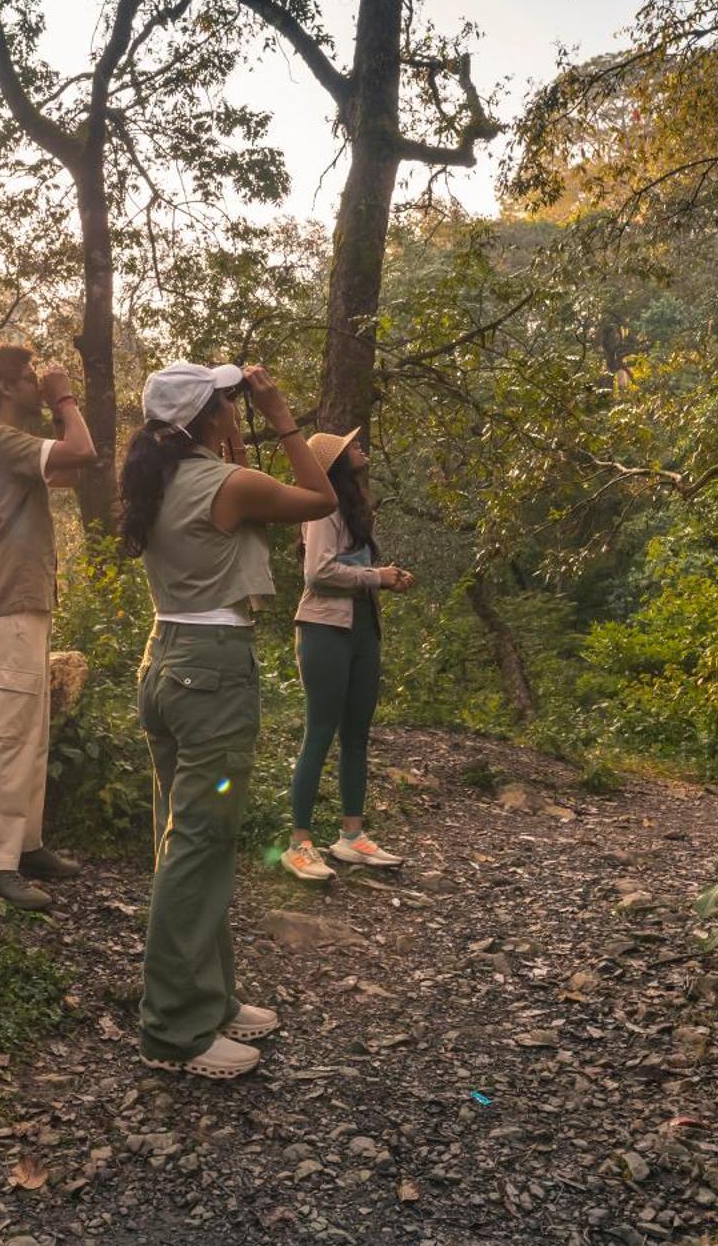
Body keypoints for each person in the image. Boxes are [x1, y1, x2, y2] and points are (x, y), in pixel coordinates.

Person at [120, 360, 337, 1080]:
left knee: (186, 840)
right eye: (227, 404)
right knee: (200, 844)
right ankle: (174, 1029)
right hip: (211, 670)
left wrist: (232, 428)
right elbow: (317, 495)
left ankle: (207, 998)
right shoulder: (225, 485)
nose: (235, 411)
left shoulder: (158, 479)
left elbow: (239, 497)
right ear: (210, 418)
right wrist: (280, 416)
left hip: (167, 660)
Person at [0, 345, 100, 910]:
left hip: (28, 594)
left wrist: (55, 405)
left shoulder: (10, 445)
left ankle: (25, 842)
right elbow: (84, 450)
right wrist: (64, 393)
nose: (35, 384)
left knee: (32, 728)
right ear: (4, 388)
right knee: (6, 731)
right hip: (9, 596)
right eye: (26, 378)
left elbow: (68, 469)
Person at [280, 429, 415, 881]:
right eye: (353, 447)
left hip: (360, 629)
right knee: (320, 733)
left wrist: (381, 579)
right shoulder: (324, 508)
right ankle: (299, 843)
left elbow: (350, 570)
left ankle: (351, 837)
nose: (362, 450)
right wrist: (376, 577)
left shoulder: (354, 508)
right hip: (323, 629)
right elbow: (317, 572)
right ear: (337, 462)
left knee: (357, 733)